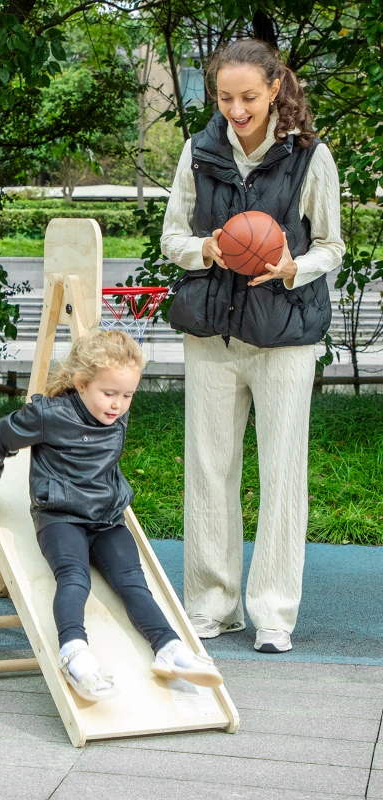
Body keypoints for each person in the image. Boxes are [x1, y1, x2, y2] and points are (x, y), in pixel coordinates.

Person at [161, 39, 345, 654]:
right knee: (209, 469)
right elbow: (172, 238)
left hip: (285, 335)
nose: (235, 109)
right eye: (223, 97)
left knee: (281, 474)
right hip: (212, 332)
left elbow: (332, 247)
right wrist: (207, 250)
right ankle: (212, 604)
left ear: (274, 90)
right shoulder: (199, 151)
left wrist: (294, 267)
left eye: (248, 97)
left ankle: (273, 612)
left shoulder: (310, 158)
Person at [0, 329, 222, 702]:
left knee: (133, 583)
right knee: (74, 577)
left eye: (127, 395)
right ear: (82, 383)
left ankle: (169, 648)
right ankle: (73, 651)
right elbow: (6, 433)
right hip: (60, 517)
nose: (118, 404)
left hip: (106, 519)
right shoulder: (49, 415)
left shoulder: (114, 413)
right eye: (109, 393)